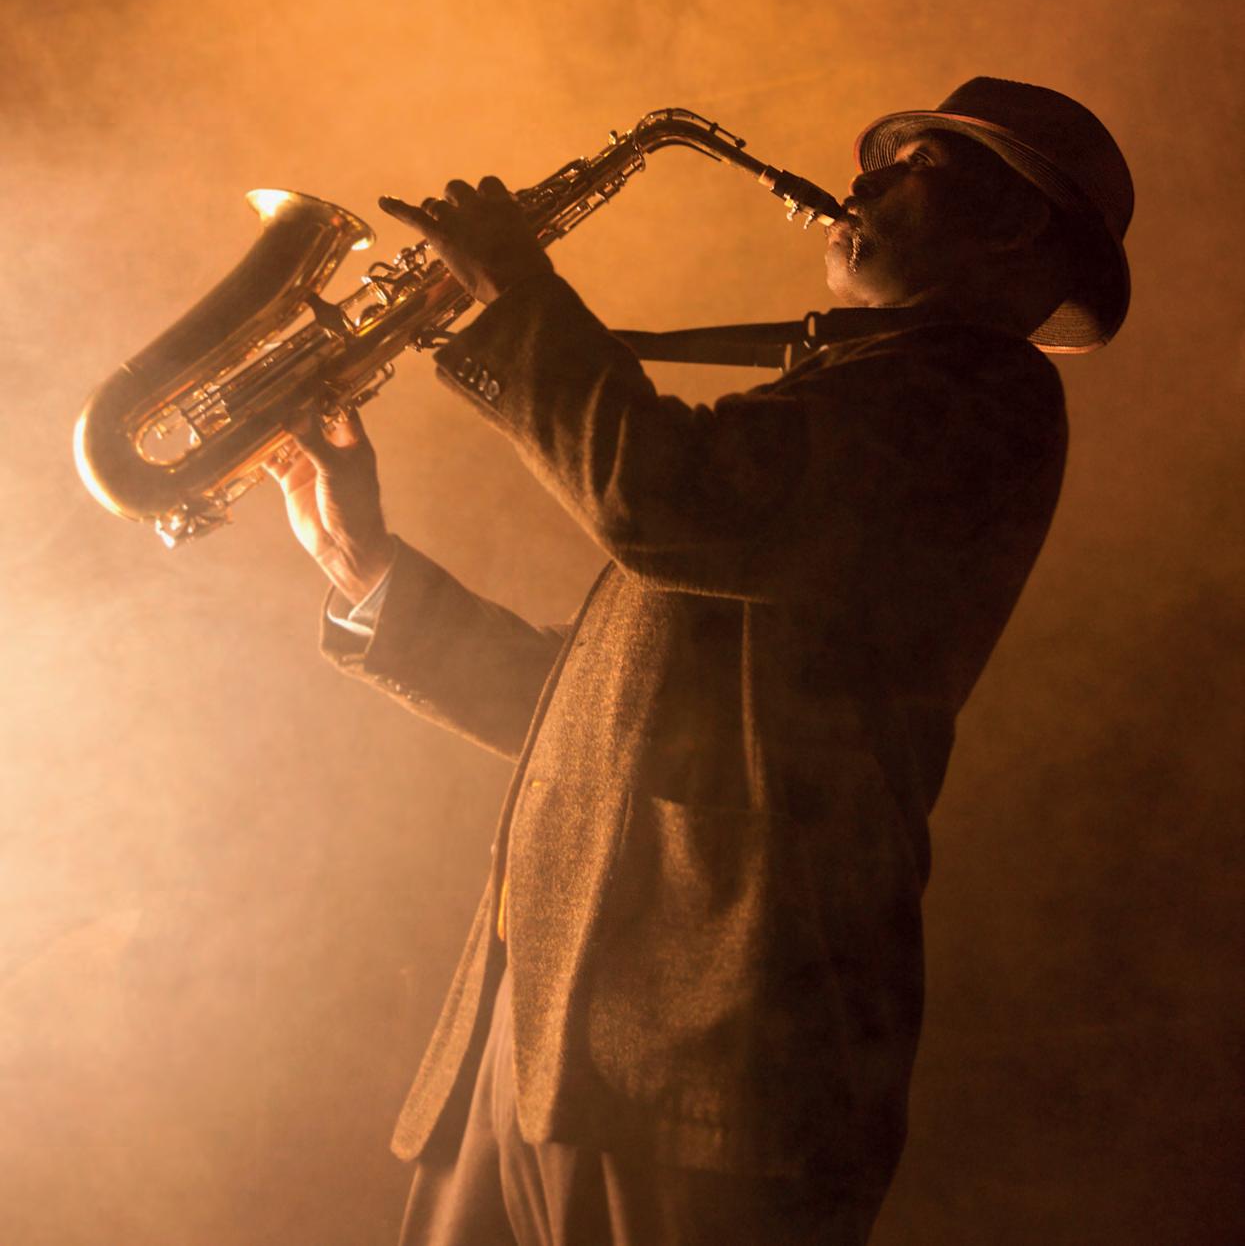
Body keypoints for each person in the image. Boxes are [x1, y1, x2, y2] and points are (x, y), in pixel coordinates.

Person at [270, 77, 1133, 1245]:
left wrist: (521, 295)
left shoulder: (977, 396)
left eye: (918, 166)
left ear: (1018, 222)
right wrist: (369, 570)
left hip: (711, 1060)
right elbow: (593, 723)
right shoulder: (850, 399)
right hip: (549, 1041)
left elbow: (665, 498)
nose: (867, 180)